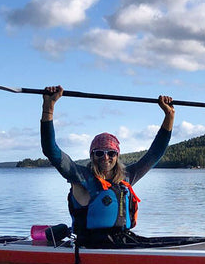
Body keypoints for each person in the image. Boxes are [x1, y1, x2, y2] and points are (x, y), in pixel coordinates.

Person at [41, 85, 176, 248]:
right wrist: (48, 108)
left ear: (117, 156)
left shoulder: (127, 177)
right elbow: (51, 150)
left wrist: (169, 116)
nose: (105, 157)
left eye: (111, 153)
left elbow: (155, 154)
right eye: (99, 153)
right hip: (88, 245)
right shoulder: (81, 176)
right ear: (92, 155)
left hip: (121, 241)